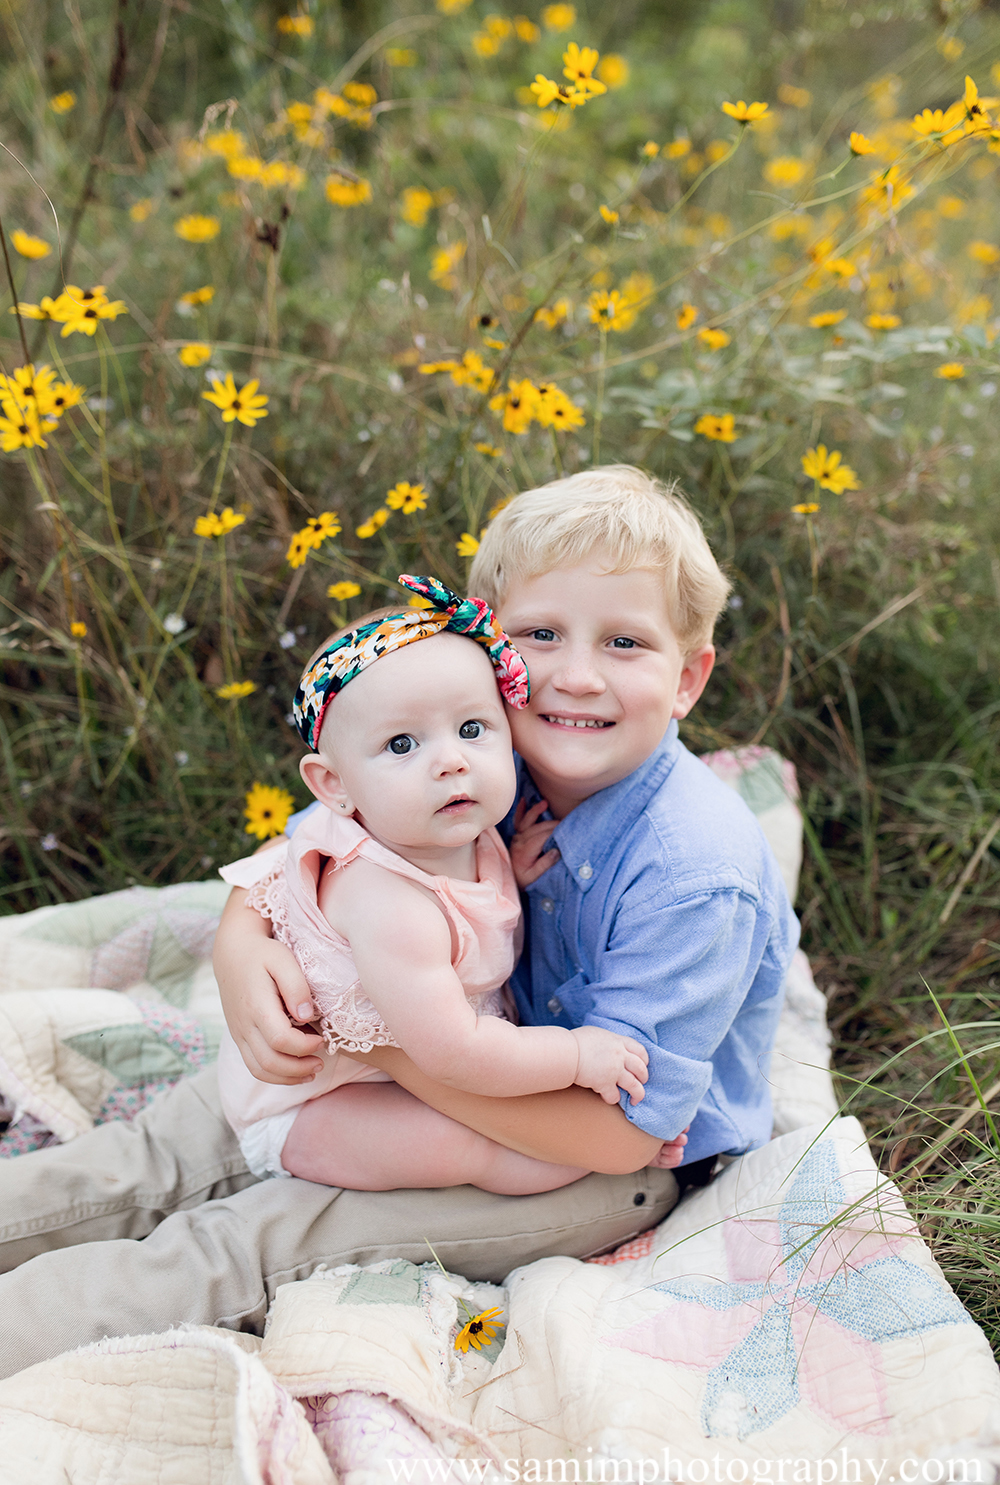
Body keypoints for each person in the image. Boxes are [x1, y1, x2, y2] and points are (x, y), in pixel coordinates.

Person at [0, 465, 797, 1378]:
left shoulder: (695, 877)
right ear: (492, 648)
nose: (576, 677)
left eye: (624, 642)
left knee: (250, 1237)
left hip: (590, 1160)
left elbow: (618, 1132)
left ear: (687, 677)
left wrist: (386, 1048)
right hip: (414, 1054)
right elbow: (322, 834)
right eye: (542, 635)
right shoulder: (476, 746)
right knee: (149, 1158)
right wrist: (238, 941)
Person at [217, 574, 654, 1192]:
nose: (451, 760)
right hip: (315, 1100)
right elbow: (458, 1052)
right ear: (335, 786)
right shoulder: (388, 902)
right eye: (402, 743)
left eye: (473, 730)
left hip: (408, 1065)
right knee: (479, 1151)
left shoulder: (456, 826)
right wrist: (577, 1057)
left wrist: (512, 874)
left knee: (505, 1129)